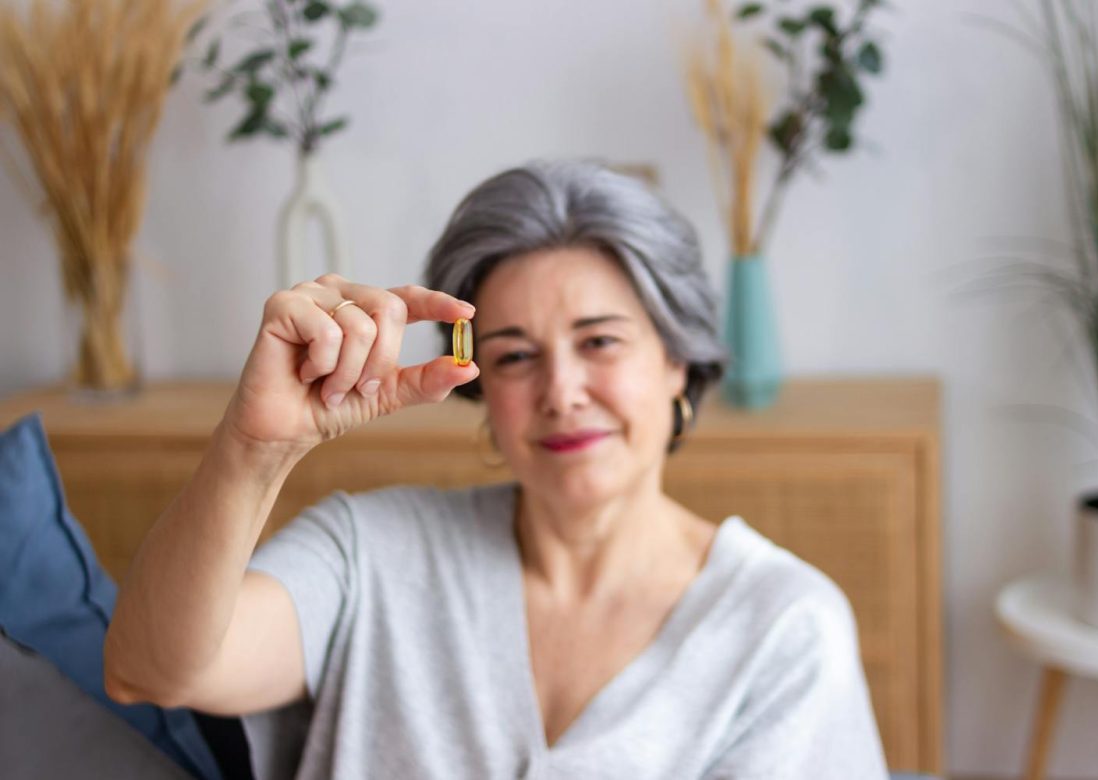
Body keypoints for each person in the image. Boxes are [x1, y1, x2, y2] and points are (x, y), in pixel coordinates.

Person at [104, 160, 888, 779]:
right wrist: (253, 449)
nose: (562, 393)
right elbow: (153, 671)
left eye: (601, 342)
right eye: (515, 356)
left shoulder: (785, 628)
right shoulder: (372, 553)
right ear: (479, 387)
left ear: (678, 360)